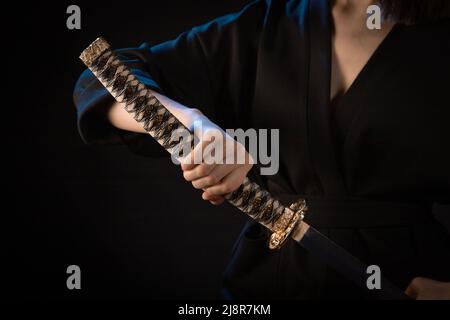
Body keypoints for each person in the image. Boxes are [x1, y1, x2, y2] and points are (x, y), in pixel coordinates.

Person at [73, 0, 450, 299]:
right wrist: (193, 124)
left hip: (409, 278)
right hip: (268, 282)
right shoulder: (267, 26)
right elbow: (103, 79)